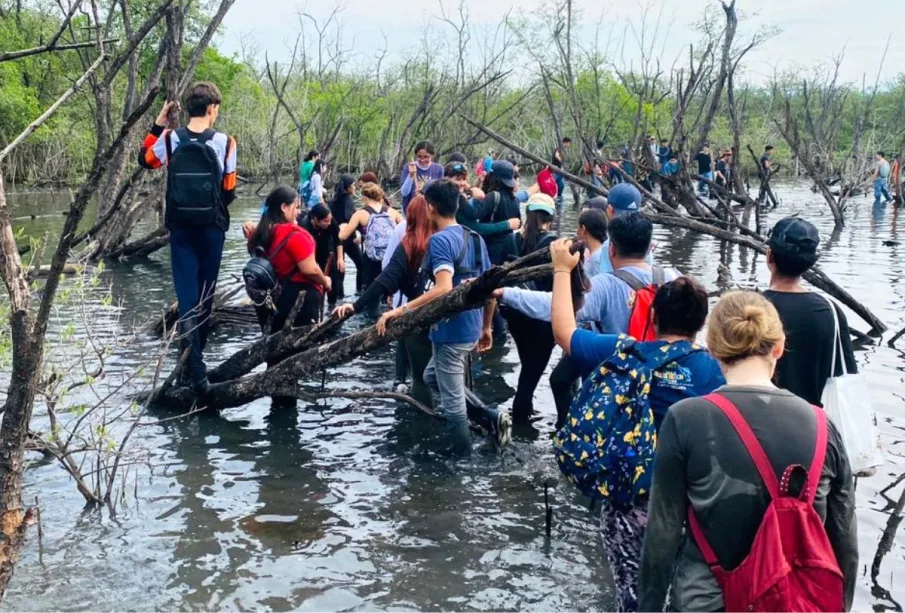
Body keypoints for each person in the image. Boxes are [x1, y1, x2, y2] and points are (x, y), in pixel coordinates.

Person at [638, 290, 858, 612]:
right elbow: (845, 544)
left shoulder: (685, 418)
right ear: (779, 348)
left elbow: (662, 533)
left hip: (704, 602)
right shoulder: (825, 428)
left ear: (712, 349)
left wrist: (649, 607)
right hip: (791, 603)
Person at [550, 250, 723, 612]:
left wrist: (562, 271)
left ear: (654, 315)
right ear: (701, 323)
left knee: (631, 595)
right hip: (690, 505)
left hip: (631, 501)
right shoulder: (715, 370)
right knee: (683, 594)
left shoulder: (625, 351)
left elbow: (565, 332)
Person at [497, 212, 679, 426]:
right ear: (650, 248)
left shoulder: (605, 286)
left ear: (611, 250)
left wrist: (505, 293)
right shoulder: (674, 279)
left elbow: (553, 305)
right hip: (663, 382)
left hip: (615, 387)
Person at [376, 179, 509, 453]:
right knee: (431, 377)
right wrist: (486, 328)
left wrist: (400, 310)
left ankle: (460, 461)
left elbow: (443, 287)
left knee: (452, 406)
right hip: (470, 328)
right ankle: (490, 417)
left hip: (450, 331)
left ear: (431, 207)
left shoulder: (439, 241)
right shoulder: (474, 237)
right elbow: (489, 288)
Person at [138, 82, 237, 393]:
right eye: (216, 108)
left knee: (187, 298)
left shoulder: (170, 138)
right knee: (205, 298)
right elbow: (229, 191)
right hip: (211, 228)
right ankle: (196, 367)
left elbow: (145, 160)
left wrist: (159, 122)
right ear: (211, 109)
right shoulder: (225, 142)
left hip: (180, 228)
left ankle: (190, 367)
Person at [334, 195, 435, 404]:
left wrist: (355, 306)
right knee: (450, 378)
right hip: (450, 318)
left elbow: (384, 279)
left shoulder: (409, 244)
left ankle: (421, 422)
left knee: (421, 378)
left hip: (418, 316)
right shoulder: (448, 237)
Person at [762, 217, 857, 407]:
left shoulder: (750, 307)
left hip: (753, 424)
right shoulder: (829, 310)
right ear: (810, 263)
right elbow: (846, 375)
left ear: (770, 256)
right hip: (815, 427)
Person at [501, 194, 559, 424]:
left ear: (527, 214)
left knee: (528, 367)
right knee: (529, 376)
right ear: (551, 218)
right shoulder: (554, 244)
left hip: (515, 314)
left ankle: (525, 412)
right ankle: (521, 424)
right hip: (541, 317)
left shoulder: (511, 240)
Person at [246, 186, 332, 334]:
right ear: (284, 207)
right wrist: (325, 281)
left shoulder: (259, 233)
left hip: (268, 301)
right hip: (299, 300)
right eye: (296, 207)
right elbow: (310, 269)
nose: (299, 212)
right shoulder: (296, 235)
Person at [338, 183, 402, 290]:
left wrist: (341, 228)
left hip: (370, 257)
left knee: (370, 290)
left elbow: (343, 237)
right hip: (389, 255)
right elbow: (406, 229)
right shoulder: (392, 212)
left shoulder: (360, 214)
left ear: (364, 197)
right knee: (387, 288)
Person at [300, 204, 344, 304]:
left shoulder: (330, 221)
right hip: (309, 252)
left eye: (329, 220)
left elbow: (338, 240)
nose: (328, 223)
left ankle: (332, 305)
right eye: (325, 221)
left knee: (333, 279)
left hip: (326, 250)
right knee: (311, 280)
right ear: (315, 219)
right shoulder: (304, 225)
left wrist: (340, 259)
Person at [328, 174, 364, 298]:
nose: (355, 188)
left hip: (335, 238)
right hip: (348, 237)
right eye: (353, 185)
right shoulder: (348, 198)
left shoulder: (333, 200)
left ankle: (339, 297)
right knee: (361, 265)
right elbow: (348, 217)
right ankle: (360, 292)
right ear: (348, 187)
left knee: (339, 271)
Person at [401, 140, 444, 212]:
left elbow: (440, 193)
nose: (422, 160)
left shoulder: (439, 169)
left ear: (432, 155)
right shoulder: (408, 167)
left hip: (431, 210)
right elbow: (404, 192)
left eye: (426, 157)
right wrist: (411, 175)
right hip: (411, 209)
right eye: (419, 157)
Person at [577, 208, 608, 278]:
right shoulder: (605, 252)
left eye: (578, 227)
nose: (577, 231)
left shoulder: (596, 260)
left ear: (583, 230)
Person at [552, 136, 572, 207]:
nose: (569, 145)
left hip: (560, 170)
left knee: (561, 186)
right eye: (569, 143)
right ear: (565, 142)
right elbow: (556, 155)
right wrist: (562, 161)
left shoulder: (562, 149)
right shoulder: (559, 148)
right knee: (554, 184)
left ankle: (559, 199)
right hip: (556, 170)